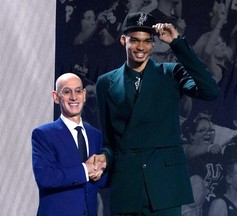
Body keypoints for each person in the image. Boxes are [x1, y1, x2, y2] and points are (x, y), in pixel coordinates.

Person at [95, 12, 219, 215]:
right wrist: (103, 158)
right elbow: (110, 142)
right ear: (123, 40)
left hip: (164, 187)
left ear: (153, 44)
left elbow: (210, 91)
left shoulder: (171, 73)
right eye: (134, 40)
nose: (141, 47)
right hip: (127, 187)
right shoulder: (105, 83)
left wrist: (177, 43)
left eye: (147, 41)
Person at [32, 73, 107, 216]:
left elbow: (101, 182)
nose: (74, 97)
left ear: (84, 95)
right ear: (56, 97)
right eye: (67, 92)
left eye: (78, 91)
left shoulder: (95, 135)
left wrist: (102, 168)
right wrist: (86, 170)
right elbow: (46, 178)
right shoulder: (43, 134)